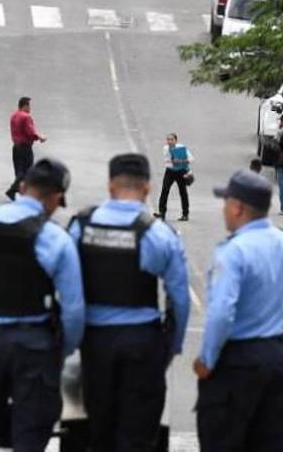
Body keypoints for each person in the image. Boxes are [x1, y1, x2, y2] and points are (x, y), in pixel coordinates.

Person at [0, 158, 84, 452]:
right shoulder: (54, 237)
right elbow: (74, 310)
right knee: (30, 436)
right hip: (35, 347)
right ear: (55, 197)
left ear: (24, 187)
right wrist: (60, 351)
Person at [194, 169, 283, 452]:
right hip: (276, 361)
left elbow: (221, 313)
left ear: (238, 208)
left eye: (226, 202)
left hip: (234, 365)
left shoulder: (233, 252)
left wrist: (207, 358)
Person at [68, 154, 190, 450]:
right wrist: (171, 346)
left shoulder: (81, 227)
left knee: (99, 430)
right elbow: (180, 300)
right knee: (137, 435)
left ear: (110, 186)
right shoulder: (159, 234)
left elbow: (67, 291)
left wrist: (71, 340)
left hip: (96, 343)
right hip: (143, 344)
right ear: (148, 188)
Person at [7, 96, 46, 199]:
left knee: (18, 171)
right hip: (25, 148)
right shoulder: (26, 117)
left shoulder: (13, 116)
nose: (30, 108)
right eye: (29, 105)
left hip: (16, 147)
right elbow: (30, 132)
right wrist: (40, 137)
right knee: (27, 171)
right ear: (25, 105)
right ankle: (13, 190)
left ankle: (20, 192)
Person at [156, 132, 192, 221]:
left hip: (180, 171)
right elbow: (167, 160)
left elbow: (191, 159)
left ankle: (185, 213)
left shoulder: (181, 148)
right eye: (168, 140)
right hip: (170, 171)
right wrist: (173, 161)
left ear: (176, 140)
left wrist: (182, 161)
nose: (170, 141)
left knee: (182, 192)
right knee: (165, 190)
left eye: (172, 139)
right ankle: (162, 212)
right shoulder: (165, 148)